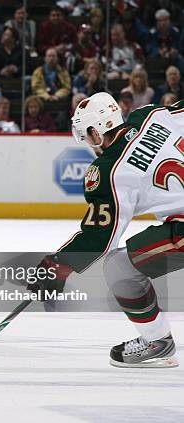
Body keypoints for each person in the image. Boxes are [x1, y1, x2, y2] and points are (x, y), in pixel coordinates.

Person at [28, 92, 184, 368]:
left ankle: (157, 341)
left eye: (86, 135)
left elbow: (100, 237)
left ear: (94, 131)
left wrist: (58, 265)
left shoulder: (108, 171)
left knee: (119, 267)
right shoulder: (150, 114)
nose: (87, 142)